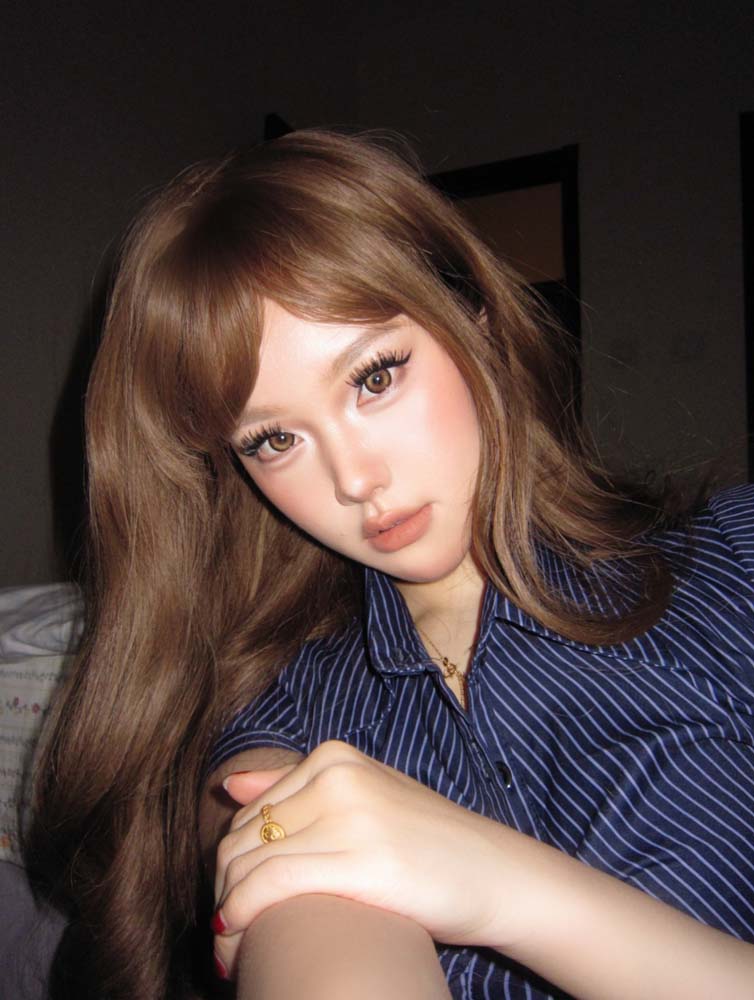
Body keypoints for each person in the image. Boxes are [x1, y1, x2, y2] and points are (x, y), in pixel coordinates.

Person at [28, 129, 754, 1000]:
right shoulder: (281, 704)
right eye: (273, 440)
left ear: (474, 318)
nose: (354, 479)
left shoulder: (731, 564)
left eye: (374, 377)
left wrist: (500, 885)